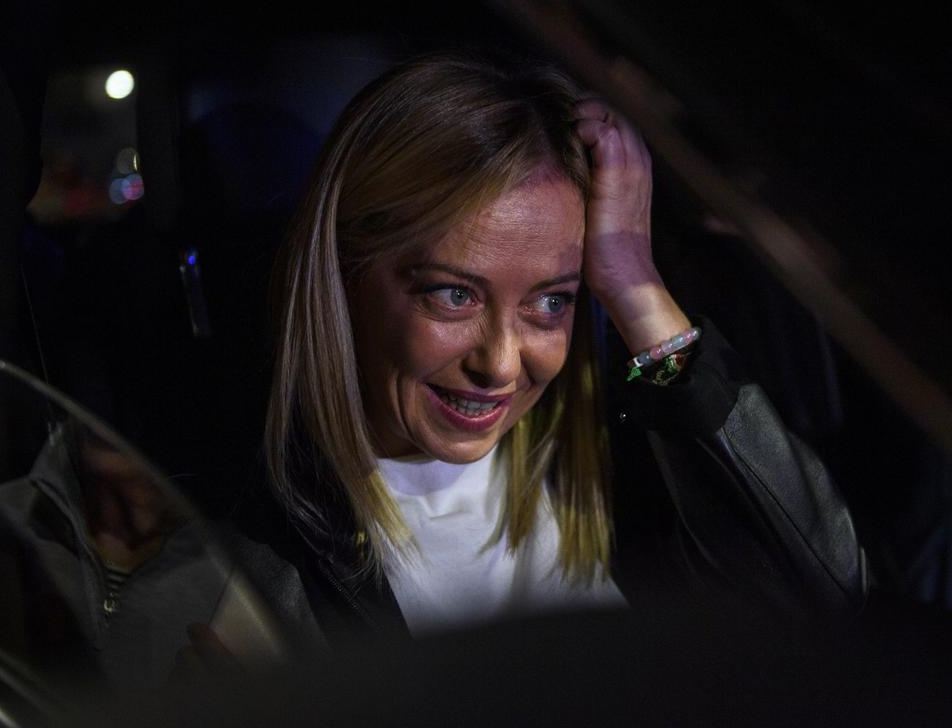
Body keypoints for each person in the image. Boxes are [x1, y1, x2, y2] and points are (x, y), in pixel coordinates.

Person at [225, 51, 868, 650]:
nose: (502, 365)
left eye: (551, 302)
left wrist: (635, 286)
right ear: (342, 276)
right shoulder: (249, 554)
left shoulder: (616, 473)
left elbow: (824, 594)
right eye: (453, 295)